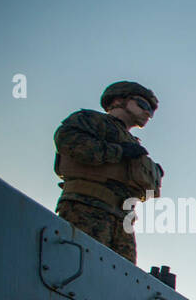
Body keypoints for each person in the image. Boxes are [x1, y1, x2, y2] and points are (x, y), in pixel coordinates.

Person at [53, 81, 164, 265]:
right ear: (119, 100)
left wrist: (152, 176)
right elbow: (68, 141)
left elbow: (144, 193)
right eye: (142, 105)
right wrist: (119, 152)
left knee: (120, 281)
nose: (147, 113)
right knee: (76, 267)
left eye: (151, 112)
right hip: (86, 208)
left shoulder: (134, 144)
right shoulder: (92, 120)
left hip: (123, 221)